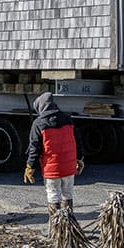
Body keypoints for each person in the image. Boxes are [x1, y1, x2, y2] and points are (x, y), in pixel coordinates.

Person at [24, 92, 83, 223]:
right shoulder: (67, 119)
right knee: (67, 195)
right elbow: (77, 140)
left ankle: (56, 228)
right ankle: (69, 226)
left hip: (51, 169)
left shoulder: (38, 124)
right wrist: (79, 159)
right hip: (69, 167)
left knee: (53, 195)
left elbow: (34, 148)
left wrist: (30, 166)